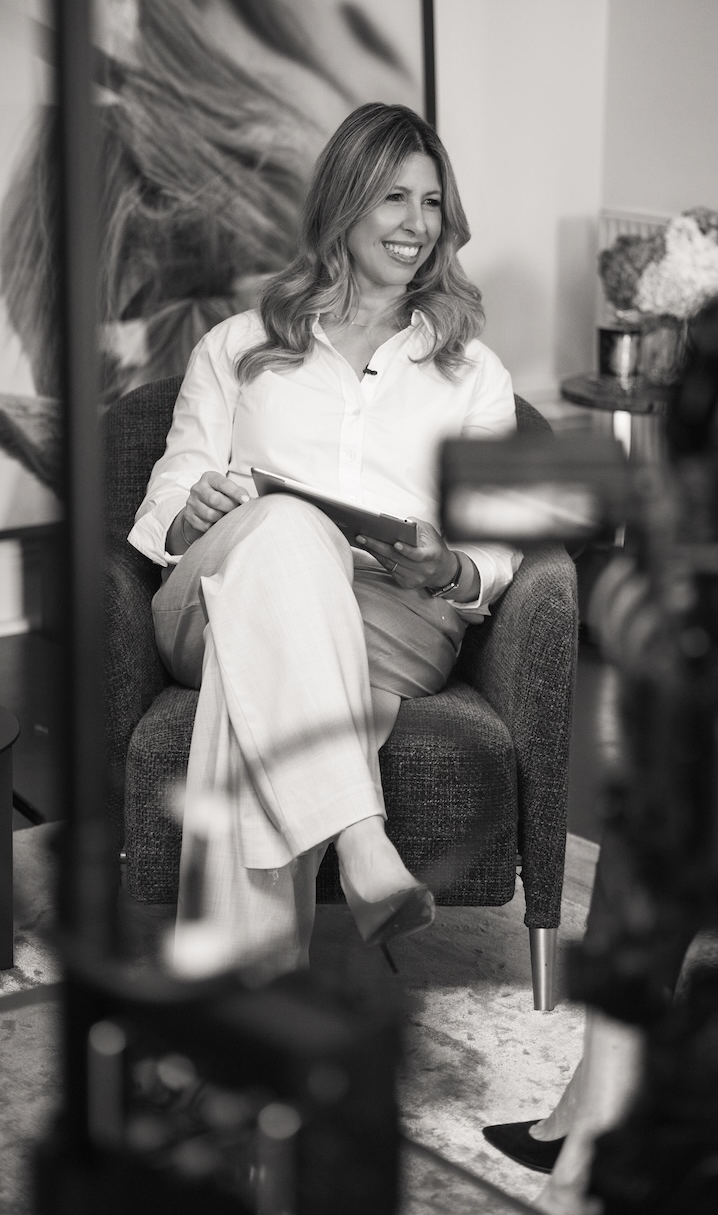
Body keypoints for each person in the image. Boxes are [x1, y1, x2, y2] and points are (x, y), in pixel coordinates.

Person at [128, 101, 522, 974]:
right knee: (285, 527)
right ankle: (361, 837)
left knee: (252, 667)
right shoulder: (237, 346)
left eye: (431, 202)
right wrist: (195, 511)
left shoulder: (473, 373)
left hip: (396, 618)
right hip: (212, 595)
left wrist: (448, 565)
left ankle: (248, 985)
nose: (417, 224)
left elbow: (497, 548)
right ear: (344, 202)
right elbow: (163, 504)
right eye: (393, 197)